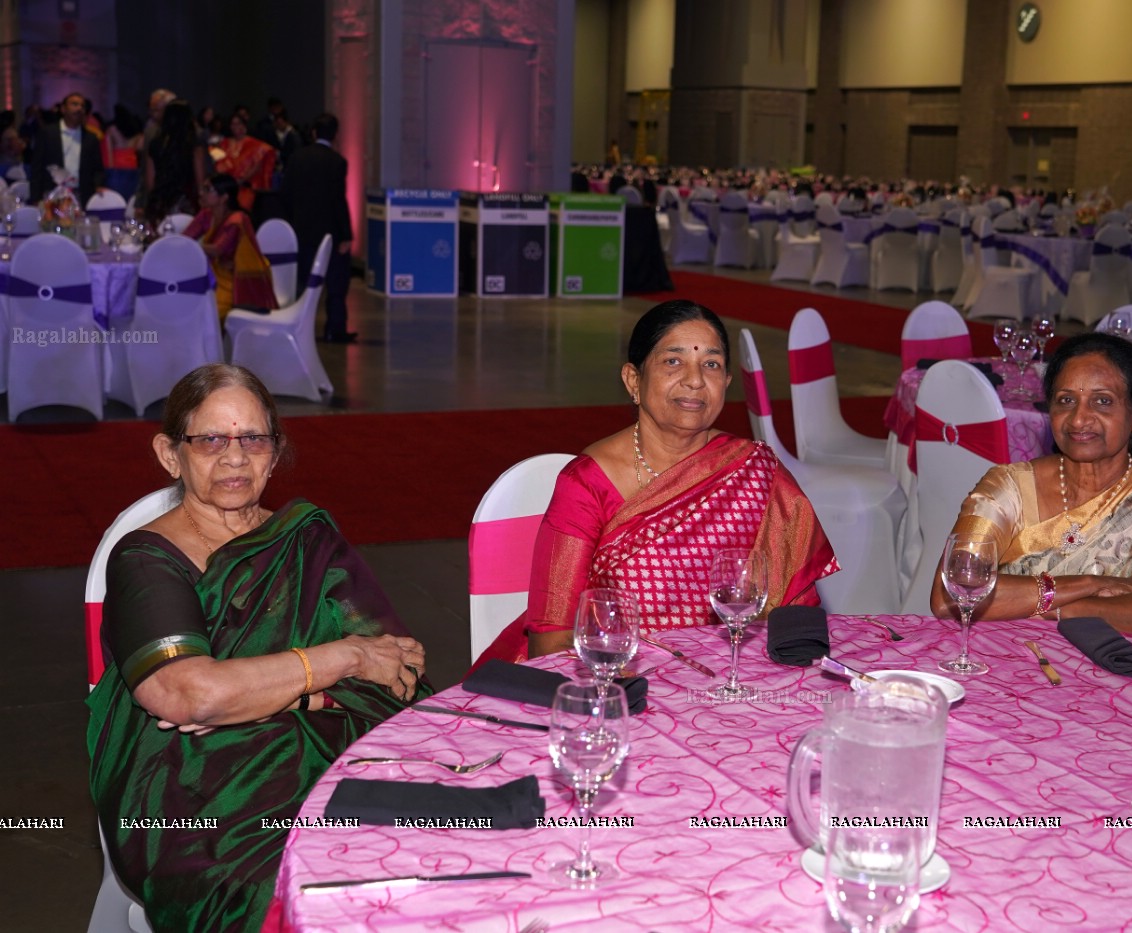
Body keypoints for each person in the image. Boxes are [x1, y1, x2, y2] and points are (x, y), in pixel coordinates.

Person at [86, 363, 430, 930]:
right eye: (211, 440)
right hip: (192, 792)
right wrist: (342, 658)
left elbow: (400, 671)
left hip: (328, 759)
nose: (235, 457)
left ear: (275, 451)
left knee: (442, 844)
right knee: (292, 889)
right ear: (171, 455)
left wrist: (275, 693)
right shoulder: (146, 560)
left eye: (253, 438)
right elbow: (186, 695)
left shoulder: (306, 538)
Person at [477, 300, 840, 663]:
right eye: (673, 361)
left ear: (726, 382)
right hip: (615, 683)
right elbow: (552, 642)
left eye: (710, 364)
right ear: (633, 380)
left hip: (729, 681)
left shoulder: (757, 471)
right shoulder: (586, 484)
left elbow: (798, 621)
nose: (695, 380)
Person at [933, 332, 1132, 642]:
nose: (1079, 419)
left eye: (1102, 401)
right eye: (1066, 400)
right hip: (1009, 662)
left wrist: (1066, 608)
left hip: (1130, 676)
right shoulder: (1007, 488)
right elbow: (951, 594)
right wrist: (1088, 583)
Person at [281, 112, 354, 342]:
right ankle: (335, 328)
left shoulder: (297, 158)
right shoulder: (337, 162)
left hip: (301, 229)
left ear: (313, 132)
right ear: (335, 135)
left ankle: (296, 327)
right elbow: (338, 201)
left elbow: (286, 195)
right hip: (329, 231)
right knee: (336, 284)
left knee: (301, 281)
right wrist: (346, 234)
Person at [183, 173, 278, 322]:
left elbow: (218, 249)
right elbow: (186, 238)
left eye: (208, 189)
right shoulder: (206, 215)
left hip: (233, 282)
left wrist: (191, 246)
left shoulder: (237, 220)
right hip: (210, 276)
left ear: (224, 197)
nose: (201, 193)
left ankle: (212, 345)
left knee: (207, 314)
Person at [143, 99, 207, 228]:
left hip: (161, 201)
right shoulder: (194, 144)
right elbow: (200, 179)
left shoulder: (155, 144)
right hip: (187, 201)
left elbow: (150, 181)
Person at [29, 92, 102, 204]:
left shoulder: (90, 138)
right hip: (53, 195)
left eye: (82, 106)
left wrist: (98, 186)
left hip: (81, 196)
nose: (79, 108)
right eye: (74, 104)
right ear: (63, 109)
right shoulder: (47, 133)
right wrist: (35, 198)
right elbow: (36, 168)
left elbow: (97, 169)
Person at [213, 112, 275, 214]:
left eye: (239, 123)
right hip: (226, 187)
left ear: (244, 125)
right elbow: (218, 164)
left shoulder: (255, 145)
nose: (236, 127)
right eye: (233, 124)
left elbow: (257, 165)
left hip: (244, 187)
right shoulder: (223, 144)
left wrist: (241, 180)